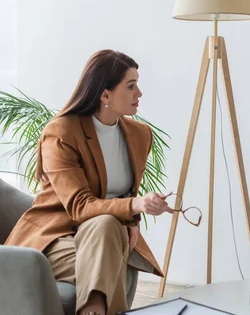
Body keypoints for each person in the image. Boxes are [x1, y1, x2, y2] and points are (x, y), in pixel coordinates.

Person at [5, 50, 173, 315]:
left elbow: (123, 195)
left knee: (107, 227)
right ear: (105, 95)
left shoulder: (140, 135)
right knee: (108, 252)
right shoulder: (61, 132)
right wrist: (137, 205)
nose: (139, 93)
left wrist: (131, 220)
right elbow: (81, 207)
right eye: (131, 86)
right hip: (56, 236)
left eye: (137, 84)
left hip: (105, 235)